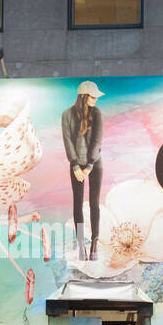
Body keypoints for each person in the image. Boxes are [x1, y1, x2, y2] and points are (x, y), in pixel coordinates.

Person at [61, 80, 105, 261]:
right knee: (77, 204)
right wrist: (75, 165)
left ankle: (95, 243)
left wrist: (89, 166)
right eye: (93, 96)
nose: (95, 99)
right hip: (76, 166)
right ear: (83, 96)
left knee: (94, 203)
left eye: (96, 96)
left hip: (94, 164)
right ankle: (81, 245)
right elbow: (68, 141)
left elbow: (97, 141)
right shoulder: (67, 114)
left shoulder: (97, 113)